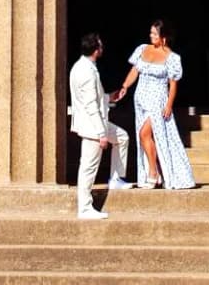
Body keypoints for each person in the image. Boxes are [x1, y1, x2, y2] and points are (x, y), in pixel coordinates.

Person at [116, 20, 196, 189]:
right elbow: (134, 71)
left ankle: (154, 172)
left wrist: (169, 105)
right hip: (140, 99)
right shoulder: (142, 49)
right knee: (143, 135)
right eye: (150, 33)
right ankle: (153, 172)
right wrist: (124, 86)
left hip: (157, 100)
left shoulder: (172, 58)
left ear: (164, 37)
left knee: (145, 133)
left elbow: (173, 84)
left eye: (154, 34)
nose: (151, 36)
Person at [70, 32, 131, 219]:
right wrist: (101, 134)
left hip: (97, 123)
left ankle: (116, 178)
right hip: (93, 127)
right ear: (96, 50)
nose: (102, 49)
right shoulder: (86, 71)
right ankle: (85, 207)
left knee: (122, 137)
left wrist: (109, 97)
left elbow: (94, 98)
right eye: (101, 46)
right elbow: (90, 105)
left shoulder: (84, 66)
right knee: (88, 167)